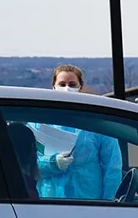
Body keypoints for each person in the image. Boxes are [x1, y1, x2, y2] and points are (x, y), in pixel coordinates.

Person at [36, 64, 123, 200]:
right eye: (62, 84)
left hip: (88, 199)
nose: (67, 88)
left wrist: (108, 201)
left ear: (80, 87)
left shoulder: (95, 122)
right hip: (51, 199)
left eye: (72, 84)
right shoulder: (40, 122)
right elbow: (28, 163)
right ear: (53, 87)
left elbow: (112, 166)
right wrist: (52, 163)